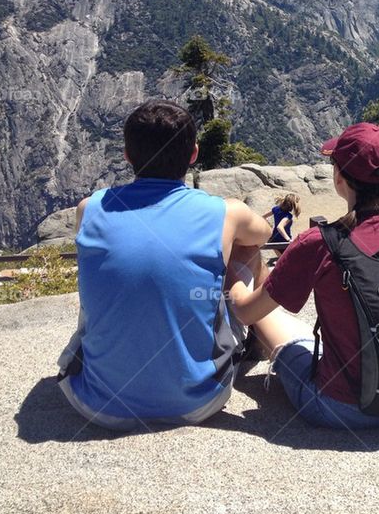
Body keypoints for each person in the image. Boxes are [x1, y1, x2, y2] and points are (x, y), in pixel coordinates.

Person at [56, 99, 277, 431]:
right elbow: (263, 235)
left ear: (128, 155)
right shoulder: (225, 212)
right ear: (193, 154)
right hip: (198, 402)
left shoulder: (89, 209)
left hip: (96, 404)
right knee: (246, 252)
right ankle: (259, 335)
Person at [227, 122, 379, 429]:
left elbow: (245, 313)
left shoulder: (319, 242)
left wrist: (236, 279)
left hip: (339, 408)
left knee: (293, 347)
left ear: (339, 178)